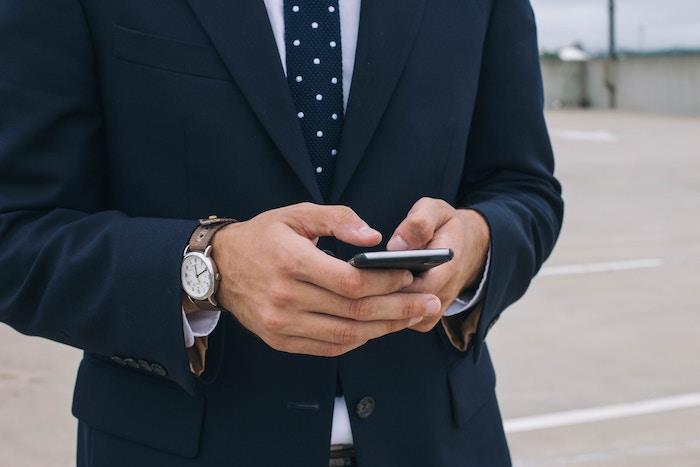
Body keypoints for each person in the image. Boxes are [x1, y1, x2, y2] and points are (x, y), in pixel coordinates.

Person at [0, 0, 563, 466]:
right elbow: (17, 228)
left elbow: (524, 188)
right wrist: (205, 268)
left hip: (446, 446)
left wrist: (477, 241)